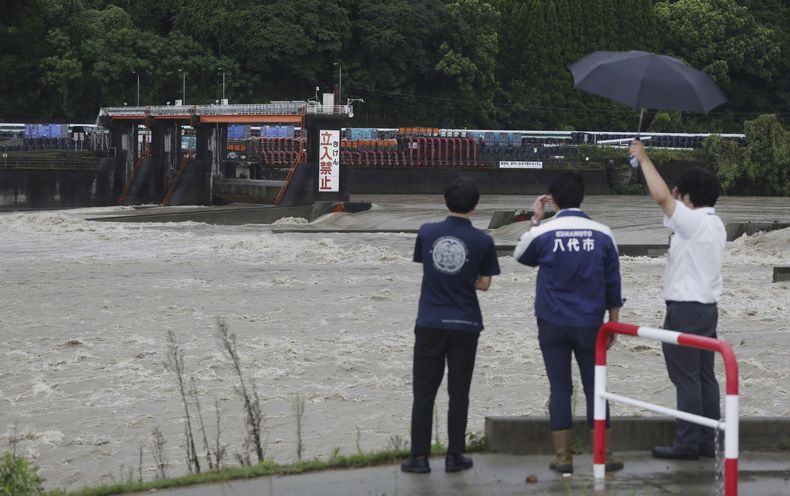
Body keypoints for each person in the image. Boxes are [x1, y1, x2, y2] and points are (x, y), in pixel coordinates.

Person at [513, 171, 624, 474]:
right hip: (591, 323)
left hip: (552, 321)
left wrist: (536, 219)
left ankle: (563, 459)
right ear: (584, 197)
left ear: (552, 200)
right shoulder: (602, 233)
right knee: (595, 388)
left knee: (560, 389)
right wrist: (613, 322)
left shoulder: (544, 233)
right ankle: (605, 454)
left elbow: (520, 255)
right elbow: (614, 281)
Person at [629, 140, 725, 460]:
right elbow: (670, 209)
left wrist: (642, 158)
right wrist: (675, 199)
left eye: (679, 194)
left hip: (685, 309)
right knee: (704, 378)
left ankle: (686, 444)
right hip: (707, 309)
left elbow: (660, 198)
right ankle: (705, 441)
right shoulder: (714, 223)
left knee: (686, 379)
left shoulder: (694, 221)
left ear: (688, 198)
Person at [401, 176, 501, 474]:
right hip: (465, 323)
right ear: (476, 205)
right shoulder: (483, 240)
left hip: (430, 321)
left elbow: (428, 265)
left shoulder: (428, 232)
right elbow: (484, 284)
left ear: (446, 201)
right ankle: (454, 456)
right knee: (459, 392)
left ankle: (418, 457)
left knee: (424, 391)